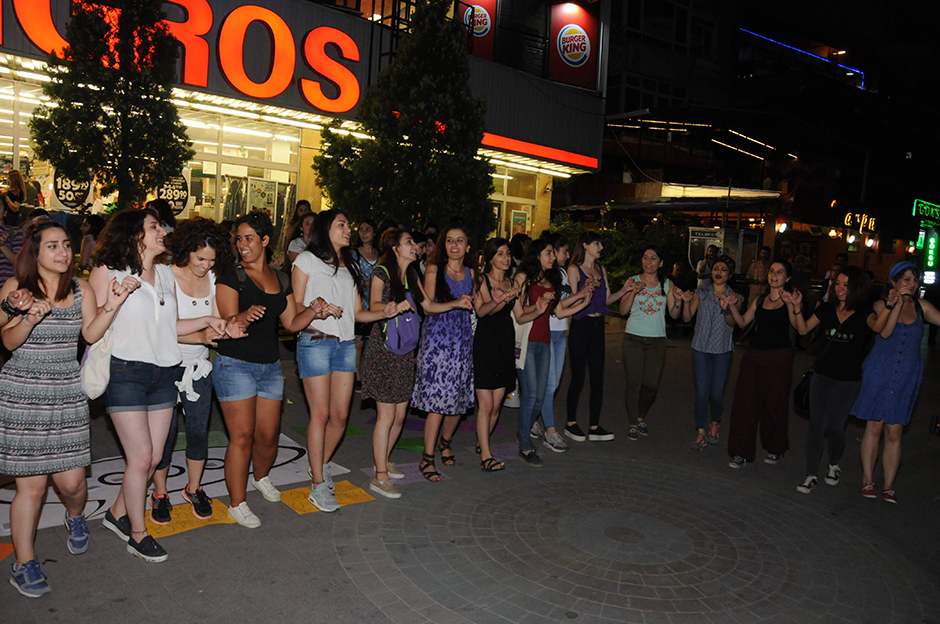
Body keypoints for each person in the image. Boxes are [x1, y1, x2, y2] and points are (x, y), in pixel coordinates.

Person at [0, 221, 132, 597]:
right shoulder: (16, 289)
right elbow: (7, 339)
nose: (63, 252)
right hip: (22, 392)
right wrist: (27, 316)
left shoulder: (81, 288)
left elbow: (91, 334)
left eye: (67, 246)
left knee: (73, 484)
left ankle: (76, 517)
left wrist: (113, 305)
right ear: (35, 253)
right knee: (33, 488)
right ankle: (24, 564)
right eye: (53, 246)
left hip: (66, 390)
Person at [91, 209, 231, 562]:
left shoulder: (166, 274)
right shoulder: (107, 272)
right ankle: (137, 534)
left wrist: (208, 320)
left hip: (164, 371)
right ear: (135, 234)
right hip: (126, 372)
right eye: (154, 227)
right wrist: (113, 301)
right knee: (140, 458)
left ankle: (116, 513)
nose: (162, 231)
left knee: (152, 457)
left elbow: (171, 326)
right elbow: (90, 331)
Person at [215, 212, 322, 528]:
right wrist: (244, 315)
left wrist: (313, 311)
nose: (242, 244)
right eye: (239, 238)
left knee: (268, 436)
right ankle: (237, 503)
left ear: (264, 241)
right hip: (235, 364)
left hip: (270, 367)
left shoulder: (281, 278)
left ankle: (260, 477)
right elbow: (226, 322)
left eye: (249, 238)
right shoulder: (231, 275)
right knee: (242, 436)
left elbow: (291, 323)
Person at [150, 219, 237, 523]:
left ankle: (194, 488)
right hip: (167, 367)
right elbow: (162, 329)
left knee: (199, 432)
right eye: (200, 258)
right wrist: (203, 333)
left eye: (211, 260)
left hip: (199, 368)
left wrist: (227, 327)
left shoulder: (214, 278)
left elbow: (217, 320)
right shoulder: (164, 275)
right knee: (165, 435)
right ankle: (159, 493)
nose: (205, 265)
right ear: (187, 250)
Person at [361, 229, 452, 495]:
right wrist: (389, 307)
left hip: (404, 352)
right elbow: (374, 304)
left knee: (400, 416)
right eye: (409, 242)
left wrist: (457, 303)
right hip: (384, 350)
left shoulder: (413, 275)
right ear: (395, 249)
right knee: (386, 416)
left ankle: (384, 460)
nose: (415, 246)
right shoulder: (381, 273)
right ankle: (379, 476)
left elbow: (428, 306)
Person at [850, 262, 940, 503]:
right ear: (895, 282)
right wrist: (895, 304)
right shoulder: (882, 305)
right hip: (880, 371)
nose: (912, 284)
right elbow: (886, 333)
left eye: (915, 279)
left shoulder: (923, 308)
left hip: (906, 375)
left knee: (894, 431)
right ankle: (867, 479)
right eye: (907, 279)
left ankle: (889, 485)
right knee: (875, 427)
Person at [291, 210, 362, 512]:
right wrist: (316, 310)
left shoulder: (351, 266)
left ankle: (318, 464)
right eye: (342, 224)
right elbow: (295, 309)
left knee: (340, 416)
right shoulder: (306, 260)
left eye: (348, 224)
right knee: (319, 415)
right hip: (316, 342)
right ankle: (319, 484)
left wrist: (386, 312)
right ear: (325, 228)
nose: (348, 229)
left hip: (345, 345)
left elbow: (357, 313)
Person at [788, 266, 872, 494]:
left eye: (847, 285)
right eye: (838, 284)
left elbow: (883, 330)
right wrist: (796, 308)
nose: (841, 289)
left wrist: (890, 306)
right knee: (816, 425)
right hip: (822, 375)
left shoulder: (866, 313)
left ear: (857, 287)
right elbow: (803, 329)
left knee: (835, 427)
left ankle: (834, 463)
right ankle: (811, 474)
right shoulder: (826, 308)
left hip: (848, 381)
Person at [513, 239, 592, 465]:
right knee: (530, 395)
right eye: (549, 253)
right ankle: (525, 446)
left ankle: (523, 430)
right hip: (527, 341)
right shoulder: (522, 279)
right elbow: (519, 314)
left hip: (545, 342)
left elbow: (558, 311)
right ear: (537, 255)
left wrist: (583, 303)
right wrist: (537, 306)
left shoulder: (552, 280)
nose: (553, 257)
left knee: (540, 397)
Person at [413, 223, 476, 481]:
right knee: (437, 403)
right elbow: (427, 308)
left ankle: (445, 441)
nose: (454, 245)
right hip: (437, 342)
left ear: (468, 247)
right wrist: (455, 303)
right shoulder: (434, 270)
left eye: (459, 240)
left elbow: (480, 308)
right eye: (449, 240)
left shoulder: (473, 273)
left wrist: (501, 297)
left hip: (462, 342)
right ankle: (427, 459)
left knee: (459, 402)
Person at [724, 260, 798, 468]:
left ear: (788, 278)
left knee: (773, 404)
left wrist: (794, 305)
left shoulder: (791, 300)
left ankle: (776, 448)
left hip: (779, 358)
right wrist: (731, 307)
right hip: (754, 355)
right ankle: (741, 453)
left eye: (780, 272)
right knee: (744, 403)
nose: (774, 275)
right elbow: (742, 322)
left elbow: (797, 327)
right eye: (772, 271)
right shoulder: (760, 299)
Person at [564, 232, 629, 443]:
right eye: (596, 243)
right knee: (578, 377)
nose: (600, 247)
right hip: (581, 325)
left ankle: (594, 425)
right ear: (585, 245)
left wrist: (625, 291)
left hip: (598, 326)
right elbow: (570, 303)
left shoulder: (601, 269)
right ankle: (571, 423)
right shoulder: (574, 269)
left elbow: (608, 298)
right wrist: (585, 291)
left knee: (598, 378)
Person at [618, 245, 684, 441]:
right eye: (645, 257)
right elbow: (622, 311)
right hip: (633, 338)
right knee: (633, 383)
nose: (648, 262)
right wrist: (632, 292)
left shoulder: (667, 284)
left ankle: (640, 417)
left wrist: (679, 300)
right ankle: (632, 423)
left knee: (651, 385)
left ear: (661, 263)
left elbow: (673, 313)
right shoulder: (633, 280)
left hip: (657, 341)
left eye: (653, 258)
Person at [679, 256, 742, 449]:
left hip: (722, 350)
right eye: (716, 268)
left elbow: (732, 323)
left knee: (716, 393)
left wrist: (728, 307)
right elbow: (688, 318)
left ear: (729, 274)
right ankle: (701, 432)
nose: (719, 272)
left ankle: (715, 422)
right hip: (700, 348)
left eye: (723, 269)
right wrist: (686, 302)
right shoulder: (701, 293)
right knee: (702, 392)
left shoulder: (735, 297)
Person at [472, 238, 519, 470]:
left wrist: (538, 308)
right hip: (485, 343)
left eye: (508, 253)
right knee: (486, 405)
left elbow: (519, 314)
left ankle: (483, 442)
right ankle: (486, 457)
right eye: (500, 253)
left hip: (505, 342)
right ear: (490, 257)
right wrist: (500, 300)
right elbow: (481, 311)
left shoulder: (511, 281)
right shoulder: (481, 280)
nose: (505, 258)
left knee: (497, 404)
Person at [353, 219, 379, 390]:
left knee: (373, 342)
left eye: (367, 229)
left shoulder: (380, 254)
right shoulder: (354, 254)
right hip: (360, 301)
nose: (363, 233)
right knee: (358, 341)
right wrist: (365, 283)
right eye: (361, 229)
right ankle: (357, 376)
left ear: (374, 233)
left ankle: (371, 375)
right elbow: (352, 277)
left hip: (376, 303)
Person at [0, 199, 24, 289]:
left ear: (5, 213)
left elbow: (19, 263)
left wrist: (2, 246)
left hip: (7, 288)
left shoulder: (14, 233)